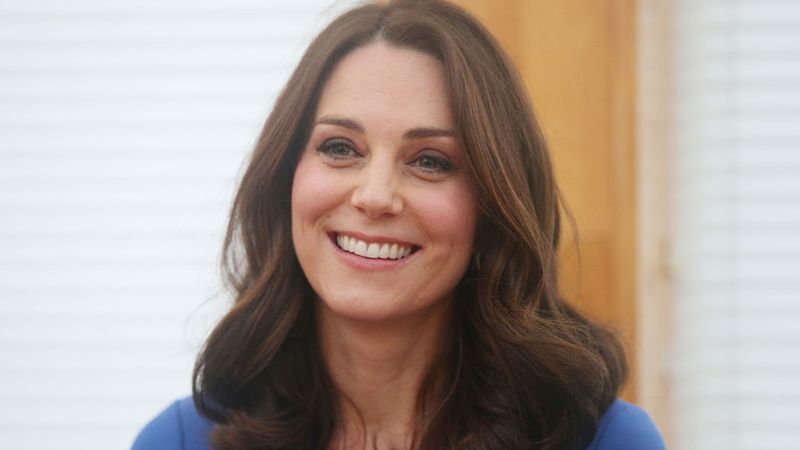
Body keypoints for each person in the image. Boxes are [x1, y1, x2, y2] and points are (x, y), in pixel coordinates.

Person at [132, 1, 666, 449]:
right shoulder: (181, 440)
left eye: (430, 160)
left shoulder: (606, 441)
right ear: (285, 180)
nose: (375, 196)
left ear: (493, 208)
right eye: (340, 148)